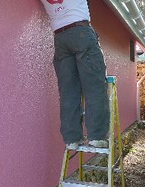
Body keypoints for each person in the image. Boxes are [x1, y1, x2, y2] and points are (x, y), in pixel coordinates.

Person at [40, 0, 110, 149]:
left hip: (60, 39)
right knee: (94, 86)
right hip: (81, 31)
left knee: (68, 92)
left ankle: (72, 139)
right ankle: (96, 136)